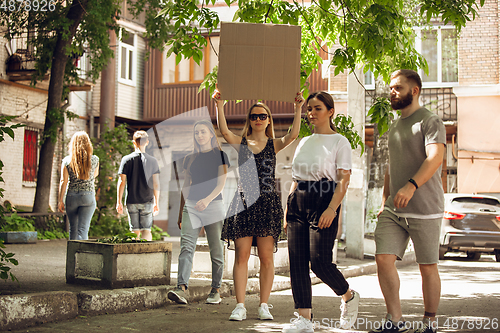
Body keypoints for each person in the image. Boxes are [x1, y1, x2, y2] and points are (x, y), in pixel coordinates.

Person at [214, 89, 304, 321]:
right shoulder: (241, 143)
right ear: (249, 120)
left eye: (262, 116)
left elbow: (294, 134)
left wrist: (298, 108)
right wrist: (220, 104)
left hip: (267, 203)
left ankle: (264, 305)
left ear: (268, 120)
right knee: (241, 256)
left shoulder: (273, 144)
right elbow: (224, 131)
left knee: (266, 257)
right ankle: (240, 306)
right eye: (254, 116)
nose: (258, 119)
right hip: (244, 202)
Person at [370, 69, 445, 333]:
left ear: (414, 91)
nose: (392, 91)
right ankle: (395, 320)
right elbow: (392, 167)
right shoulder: (394, 126)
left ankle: (429, 323)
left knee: (427, 267)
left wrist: (411, 186)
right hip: (393, 208)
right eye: (391, 87)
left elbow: (435, 158)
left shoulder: (430, 121)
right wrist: (384, 201)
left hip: (425, 208)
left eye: (398, 87)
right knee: (383, 258)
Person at [281, 92, 360, 333]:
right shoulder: (304, 141)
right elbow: (295, 178)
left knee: (320, 262)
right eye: (309, 109)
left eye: (317, 108)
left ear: (330, 111)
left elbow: (343, 180)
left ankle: (348, 296)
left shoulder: (340, 141)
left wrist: (331, 208)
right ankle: (304, 318)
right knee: (297, 262)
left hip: (324, 198)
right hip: (298, 199)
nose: (311, 113)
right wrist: (287, 208)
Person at [167, 119, 230, 305]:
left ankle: (215, 289)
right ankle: (181, 287)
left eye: (203, 132)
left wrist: (207, 200)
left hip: (213, 206)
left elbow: (221, 184)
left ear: (211, 134)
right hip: (191, 207)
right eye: (197, 133)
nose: (200, 135)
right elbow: (186, 186)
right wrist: (181, 212)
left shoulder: (220, 155)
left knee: (216, 250)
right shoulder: (190, 158)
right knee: (186, 247)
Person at [117, 130, 160, 241]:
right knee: (146, 230)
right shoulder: (153, 161)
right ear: (147, 142)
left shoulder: (126, 160)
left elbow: (122, 182)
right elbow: (156, 183)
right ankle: (146, 254)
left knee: (134, 231)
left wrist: (119, 201)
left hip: (131, 201)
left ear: (134, 143)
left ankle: (135, 256)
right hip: (147, 200)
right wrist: (157, 202)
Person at [58, 131, 99, 240]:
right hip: (88, 196)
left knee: (73, 229)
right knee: (83, 230)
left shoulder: (67, 160)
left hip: (71, 197)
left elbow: (63, 181)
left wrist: (60, 200)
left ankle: (72, 255)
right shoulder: (94, 159)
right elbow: (95, 175)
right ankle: (82, 255)